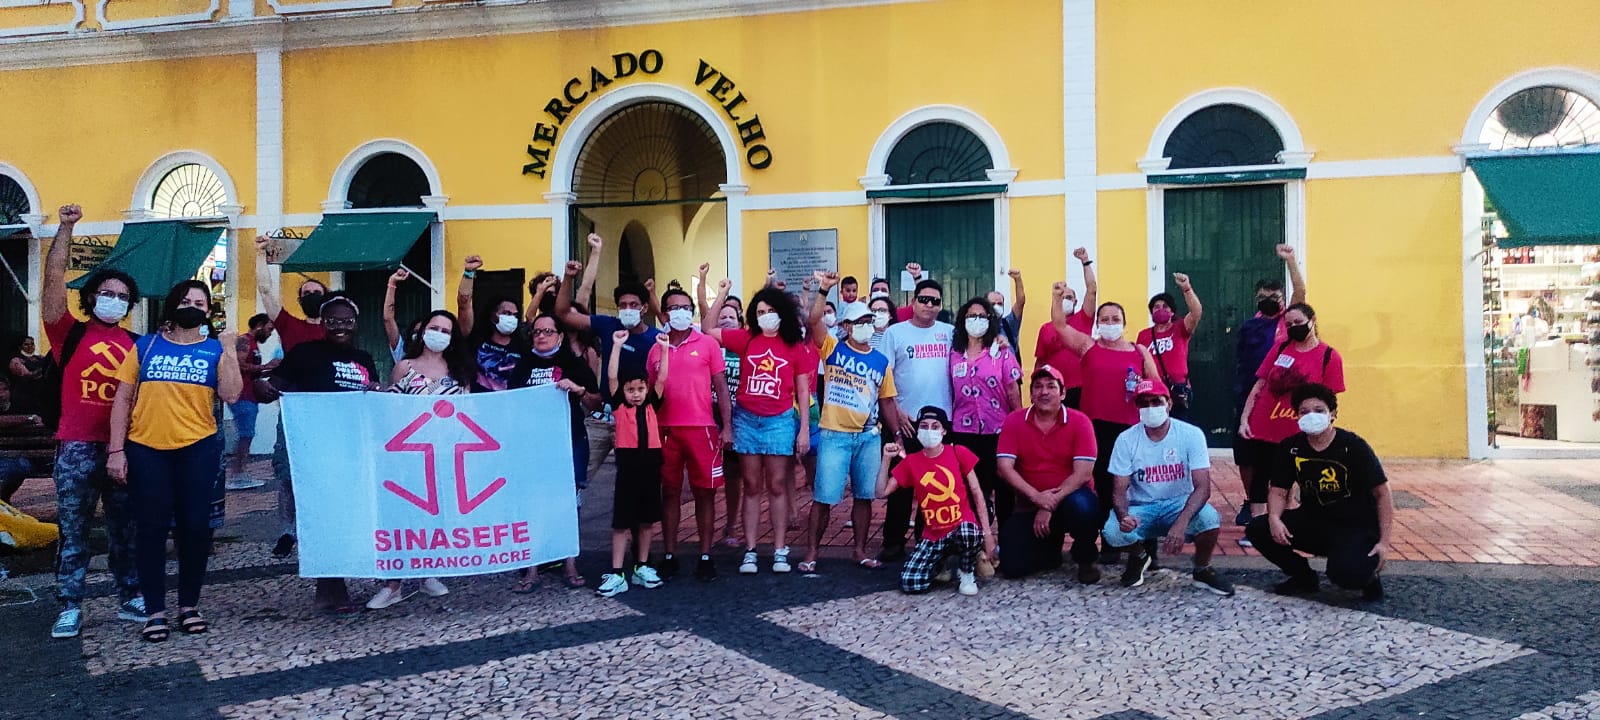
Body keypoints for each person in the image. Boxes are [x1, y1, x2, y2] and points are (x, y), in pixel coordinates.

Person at [107, 280, 242, 641]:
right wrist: (116, 450)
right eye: (185, 300)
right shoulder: (146, 346)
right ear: (172, 305)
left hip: (197, 448)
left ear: (208, 312)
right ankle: (154, 611)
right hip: (146, 448)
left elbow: (231, 393)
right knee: (150, 530)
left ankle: (189, 605)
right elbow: (122, 399)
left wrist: (228, 349)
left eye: (200, 302)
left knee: (195, 528)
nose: (192, 306)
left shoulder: (213, 349)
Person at [41, 204, 145, 639]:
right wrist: (66, 229)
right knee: (74, 526)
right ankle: (69, 603)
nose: (114, 300)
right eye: (108, 292)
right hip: (77, 445)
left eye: (123, 296)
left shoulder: (138, 344)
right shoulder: (70, 332)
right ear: (91, 297)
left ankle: (130, 594)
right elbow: (52, 281)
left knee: (126, 526)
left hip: (123, 447)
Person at [256, 293, 377, 616]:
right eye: (333, 321)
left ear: (356, 324)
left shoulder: (364, 358)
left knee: (345, 519)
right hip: (316, 452)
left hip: (351, 450)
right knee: (324, 519)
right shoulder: (304, 353)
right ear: (323, 324)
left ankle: (332, 586)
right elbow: (271, 387)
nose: (340, 326)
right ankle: (329, 589)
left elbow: (372, 397)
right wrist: (264, 388)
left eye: (346, 321)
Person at [366, 309, 475, 609]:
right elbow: (389, 408)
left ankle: (429, 572)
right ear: (422, 330)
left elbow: (465, 415)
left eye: (446, 330)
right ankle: (393, 584)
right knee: (402, 517)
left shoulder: (460, 372)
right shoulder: (405, 367)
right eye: (434, 327)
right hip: (407, 457)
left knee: (436, 515)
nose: (439, 334)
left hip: (443, 456)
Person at [1246, 383, 1391, 601]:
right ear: (1296, 416)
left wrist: (1384, 542)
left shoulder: (1353, 446)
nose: (1311, 416)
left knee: (1345, 575)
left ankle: (1369, 577)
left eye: (1319, 410)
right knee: (1259, 528)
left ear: (1332, 414)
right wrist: (1275, 518)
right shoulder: (1291, 447)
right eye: (1304, 412)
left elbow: (1382, 493)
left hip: (1354, 526)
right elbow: (1278, 490)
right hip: (1313, 520)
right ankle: (1303, 576)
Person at [704, 282, 811, 575]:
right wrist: (720, 294)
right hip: (747, 420)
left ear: (782, 313)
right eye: (760, 311)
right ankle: (750, 549)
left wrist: (803, 430)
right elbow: (708, 329)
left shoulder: (795, 346)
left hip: (779, 421)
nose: (766, 316)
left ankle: (779, 548)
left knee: (777, 486)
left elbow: (803, 392)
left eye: (771, 310)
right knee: (751, 487)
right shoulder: (746, 338)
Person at [1048, 282, 1159, 558]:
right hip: (1094, 429)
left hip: (1131, 429)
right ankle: (1100, 540)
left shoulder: (1139, 351)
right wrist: (1056, 296)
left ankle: (1140, 544)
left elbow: (1156, 386)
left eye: (1115, 319)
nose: (1110, 323)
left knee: (1133, 486)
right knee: (1100, 485)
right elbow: (1060, 325)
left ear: (1124, 323)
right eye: (1105, 319)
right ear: (1098, 323)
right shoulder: (1088, 347)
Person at [802, 274, 900, 573]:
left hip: (868, 437)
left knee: (864, 496)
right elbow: (814, 319)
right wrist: (823, 289)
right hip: (834, 436)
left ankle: (859, 550)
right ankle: (811, 553)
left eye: (869, 320)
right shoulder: (832, 348)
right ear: (846, 326)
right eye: (860, 321)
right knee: (824, 497)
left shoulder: (881, 361)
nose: (866, 325)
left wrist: (896, 433)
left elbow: (886, 401)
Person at [1102, 379, 1233, 595]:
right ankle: (1139, 556)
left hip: (1179, 503)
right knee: (1113, 530)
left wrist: (1181, 523)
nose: (1151, 408)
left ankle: (1202, 569)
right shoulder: (1126, 439)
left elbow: (1203, 487)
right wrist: (1124, 514)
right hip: (1141, 506)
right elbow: (1118, 489)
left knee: (1210, 519)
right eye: (1144, 403)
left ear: (1169, 404)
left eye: (1156, 401)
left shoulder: (1191, 434)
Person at [254, 233, 333, 559]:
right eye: (306, 293)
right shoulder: (289, 326)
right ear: (299, 300)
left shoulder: (337, 329)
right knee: (287, 474)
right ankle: (289, 529)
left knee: (325, 472)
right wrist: (260, 254)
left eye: (317, 292)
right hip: (293, 410)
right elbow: (266, 290)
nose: (312, 295)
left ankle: (322, 525)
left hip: (327, 414)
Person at [647, 286, 733, 582]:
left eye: (686, 307)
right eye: (674, 307)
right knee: (669, 492)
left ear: (692, 312)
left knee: (704, 493)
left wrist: (728, 427)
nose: (681, 312)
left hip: (702, 429)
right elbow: (650, 393)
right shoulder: (655, 348)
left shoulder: (707, 344)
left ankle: (705, 555)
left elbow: (721, 387)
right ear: (665, 313)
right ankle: (669, 553)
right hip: (665, 429)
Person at [508, 313, 598, 590]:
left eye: (548, 331)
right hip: (534, 444)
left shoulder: (573, 364)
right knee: (534, 502)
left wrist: (579, 390)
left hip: (569, 439)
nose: (541, 336)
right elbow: (510, 403)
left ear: (560, 336)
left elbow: (596, 402)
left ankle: (570, 562)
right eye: (537, 332)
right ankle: (532, 567)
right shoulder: (523, 366)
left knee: (568, 502)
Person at [1239, 302, 1344, 524]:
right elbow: (1259, 386)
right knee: (1260, 477)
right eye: (1289, 324)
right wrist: (1244, 418)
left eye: (1298, 322)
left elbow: (1330, 399)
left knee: (1291, 478)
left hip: (1299, 428)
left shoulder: (1329, 356)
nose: (1294, 327)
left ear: (1312, 321)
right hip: (1264, 426)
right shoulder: (1279, 348)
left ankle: (1287, 523)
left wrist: (1325, 426)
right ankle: (1258, 526)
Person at [995, 365, 1102, 583]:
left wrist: (1047, 503)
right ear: (1031, 393)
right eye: (1038, 387)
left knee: (1084, 507)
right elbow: (1004, 467)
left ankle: (1085, 559)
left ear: (1062, 393)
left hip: (1071, 498)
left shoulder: (1080, 421)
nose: (1044, 392)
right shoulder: (1014, 421)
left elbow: (1083, 473)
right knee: (1012, 567)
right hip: (1029, 502)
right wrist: (1037, 498)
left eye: (1051, 387)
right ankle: (1050, 550)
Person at [876, 278, 954, 563]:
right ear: (913, 301)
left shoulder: (950, 333)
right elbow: (884, 379)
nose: (929, 305)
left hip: (939, 425)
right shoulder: (895, 334)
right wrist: (896, 414)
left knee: (933, 485)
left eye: (935, 301)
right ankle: (894, 541)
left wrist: (1000, 340)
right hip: (904, 422)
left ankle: (927, 539)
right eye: (924, 299)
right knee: (901, 484)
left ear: (941, 305)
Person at [878, 407, 994, 596]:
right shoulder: (911, 461)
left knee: (969, 532)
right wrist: (886, 459)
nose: (929, 430)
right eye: (924, 426)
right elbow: (881, 492)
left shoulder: (958, 452)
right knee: (911, 583)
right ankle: (940, 564)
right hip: (933, 534)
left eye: (934, 426)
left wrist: (987, 534)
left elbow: (977, 492)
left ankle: (966, 571)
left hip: (960, 528)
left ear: (944, 431)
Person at [1233, 244, 1306, 528]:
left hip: (1281, 402)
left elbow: (1301, 293)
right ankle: (1252, 501)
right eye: (1263, 297)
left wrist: (1290, 261)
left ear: (1282, 299)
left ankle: (1287, 502)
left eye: (1273, 297)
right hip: (1249, 397)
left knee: (1283, 453)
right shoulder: (1249, 326)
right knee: (1246, 453)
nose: (1268, 301)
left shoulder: (1287, 323)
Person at [596, 331, 669, 597]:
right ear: (623, 391)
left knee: (647, 520)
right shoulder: (618, 405)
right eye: (631, 390)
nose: (636, 394)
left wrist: (664, 350)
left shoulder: (652, 403)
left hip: (650, 466)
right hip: (628, 468)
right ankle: (617, 572)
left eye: (640, 389)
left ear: (646, 389)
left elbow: (662, 377)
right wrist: (615, 346)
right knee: (621, 522)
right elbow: (612, 376)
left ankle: (642, 565)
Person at [948, 297, 1023, 525]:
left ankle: (1007, 541)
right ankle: (978, 540)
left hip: (999, 430)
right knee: (972, 487)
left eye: (982, 316)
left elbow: (1013, 391)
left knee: (1003, 487)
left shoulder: (1001, 352)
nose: (977, 321)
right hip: (964, 431)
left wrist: (1020, 426)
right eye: (972, 316)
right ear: (962, 320)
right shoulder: (952, 354)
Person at [1034, 248, 1098, 409]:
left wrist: (1085, 262)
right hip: (1054, 388)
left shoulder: (1084, 319)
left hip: (1083, 388)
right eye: (1061, 297)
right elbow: (1040, 362)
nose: (1065, 300)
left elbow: (1092, 289)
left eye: (1069, 297)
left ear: (1076, 302)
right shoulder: (1046, 328)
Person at [1136, 273, 1202, 422]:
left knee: (1177, 427)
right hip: (1153, 390)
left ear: (1172, 312)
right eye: (1156, 307)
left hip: (1177, 390)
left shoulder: (1180, 328)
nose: (1160, 309)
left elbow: (1196, 313)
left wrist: (1187, 288)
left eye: (1165, 307)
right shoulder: (1144, 335)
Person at [226, 314, 277, 490]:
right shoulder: (244, 341)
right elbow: (238, 365)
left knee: (247, 434)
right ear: (260, 325)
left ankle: (239, 472)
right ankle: (237, 474)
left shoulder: (252, 344)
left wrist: (271, 371)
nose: (270, 334)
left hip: (248, 394)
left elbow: (250, 372)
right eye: (269, 329)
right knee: (246, 434)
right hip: (241, 394)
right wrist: (266, 366)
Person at [986, 269, 1027, 353]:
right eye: (992, 304)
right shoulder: (980, 327)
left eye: (1000, 304)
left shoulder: (1009, 324)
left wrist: (1017, 279)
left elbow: (1020, 303)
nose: (996, 306)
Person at [5, 335, 48, 415]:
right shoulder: (16, 361)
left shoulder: (40, 358)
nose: (30, 346)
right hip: (23, 395)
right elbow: (27, 375)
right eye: (26, 344)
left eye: (32, 344)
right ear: (20, 346)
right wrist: (43, 370)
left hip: (39, 396)